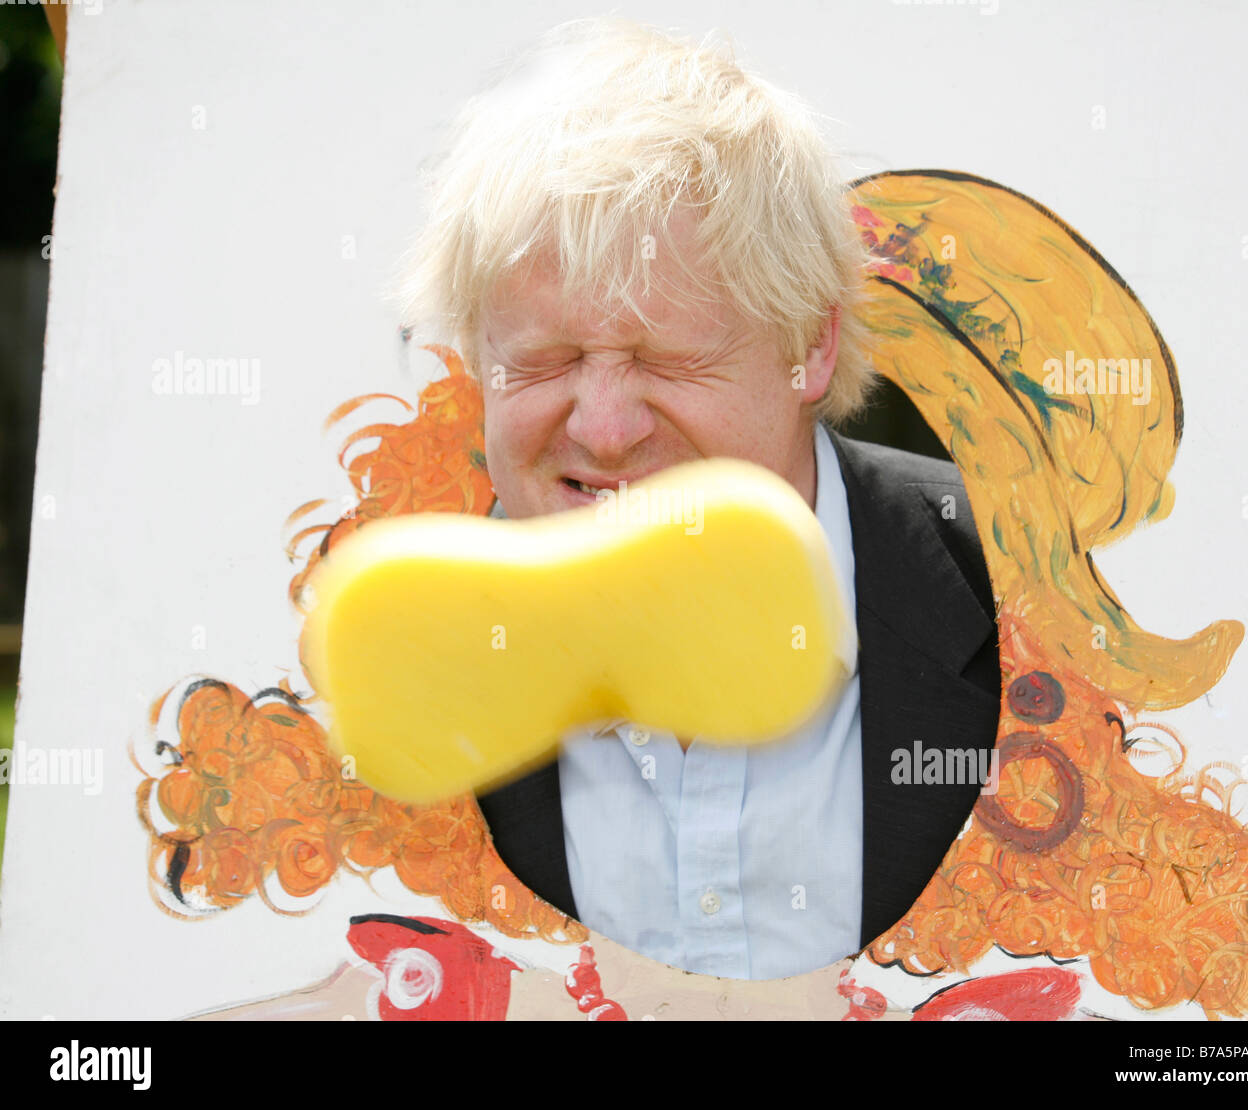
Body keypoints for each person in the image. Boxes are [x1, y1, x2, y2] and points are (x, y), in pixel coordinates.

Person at [390, 17, 1000, 980]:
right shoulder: (391, 650)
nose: (601, 427)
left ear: (812, 347)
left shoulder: (1018, 592)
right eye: (544, 361)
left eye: (665, 360)